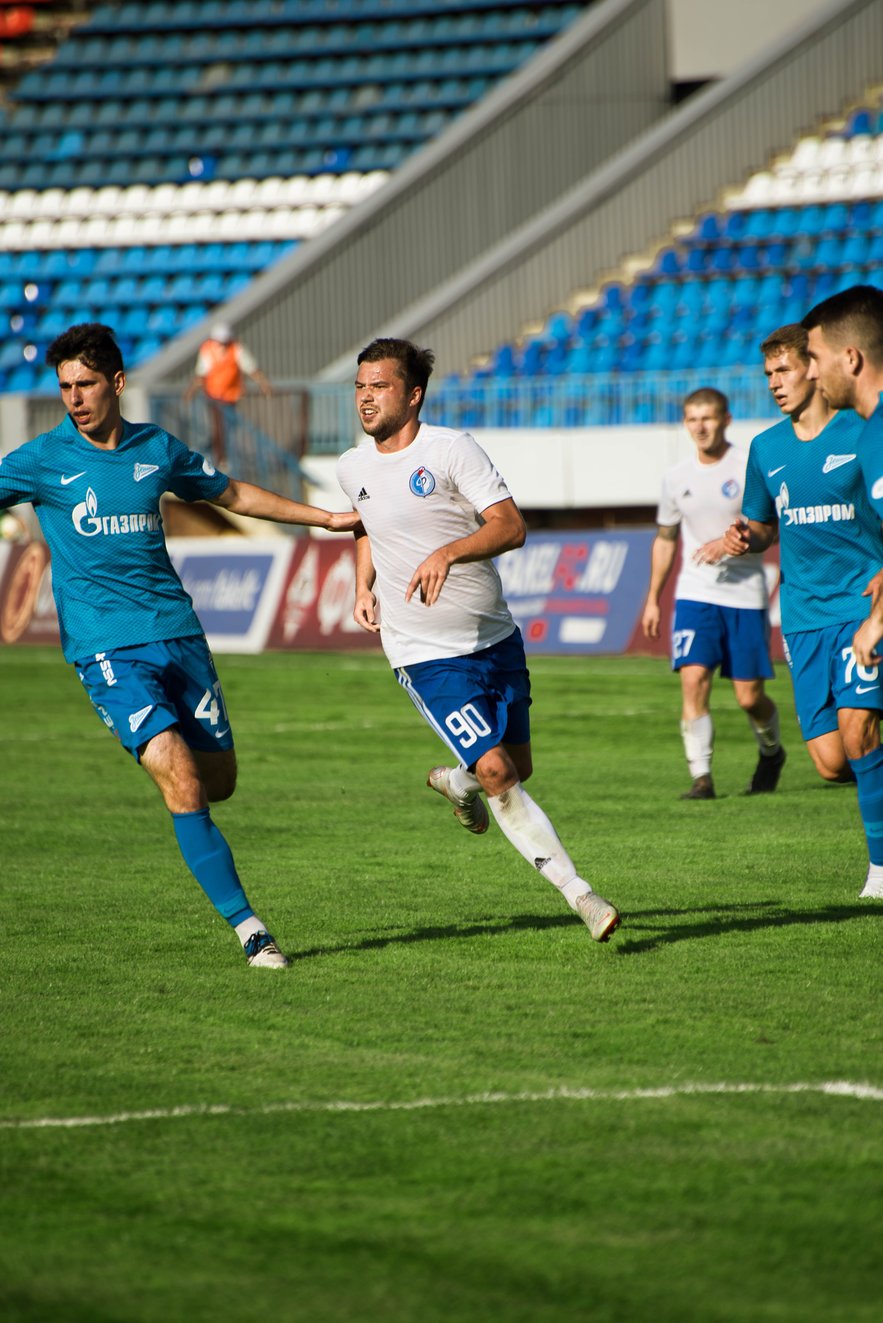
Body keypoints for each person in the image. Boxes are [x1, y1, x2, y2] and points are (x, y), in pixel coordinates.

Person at [0, 323, 360, 966]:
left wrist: (326, 518)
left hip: (178, 634)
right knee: (183, 779)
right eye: (65, 387)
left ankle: (176, 775)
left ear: (116, 383)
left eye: (86, 384)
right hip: (106, 649)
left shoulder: (157, 448)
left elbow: (234, 493)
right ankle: (252, 931)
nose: (74, 398)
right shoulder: (41, 459)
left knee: (219, 781)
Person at [336, 337, 620, 942]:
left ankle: (456, 780)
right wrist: (363, 585)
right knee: (498, 771)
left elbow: (511, 526)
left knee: (516, 768)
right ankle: (582, 895)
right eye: (359, 387)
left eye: (379, 386)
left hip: (494, 638)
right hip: (424, 654)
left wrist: (449, 551)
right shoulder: (351, 467)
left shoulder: (451, 450)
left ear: (413, 394)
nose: (365, 398)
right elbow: (365, 525)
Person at [722, 324, 873, 791]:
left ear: (812, 368)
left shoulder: (862, 431)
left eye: (783, 370)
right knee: (832, 763)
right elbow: (765, 527)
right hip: (803, 615)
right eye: (769, 374)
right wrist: (746, 536)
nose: (774, 383)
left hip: (860, 605)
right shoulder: (766, 448)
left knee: (858, 734)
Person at [641, 387, 785, 799]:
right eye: (692, 419)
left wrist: (735, 541)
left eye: (707, 418)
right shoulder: (676, 477)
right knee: (694, 679)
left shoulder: (747, 466)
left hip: (744, 593)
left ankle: (772, 752)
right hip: (695, 593)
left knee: (749, 697)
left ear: (726, 420)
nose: (700, 427)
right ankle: (701, 778)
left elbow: (770, 529)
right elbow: (666, 538)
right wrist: (653, 598)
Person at [799, 284, 883, 899]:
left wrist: (875, 621)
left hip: (863, 615)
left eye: (814, 357)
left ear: (850, 358)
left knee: (856, 730)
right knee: (846, 742)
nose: (810, 372)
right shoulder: (870, 433)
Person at [183, 321, 272, 467]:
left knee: (229, 428)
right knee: (219, 428)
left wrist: (263, 384)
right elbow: (201, 374)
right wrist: (190, 391)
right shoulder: (208, 350)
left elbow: (250, 368)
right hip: (214, 397)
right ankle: (220, 459)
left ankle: (226, 458)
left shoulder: (236, 348)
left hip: (231, 397)